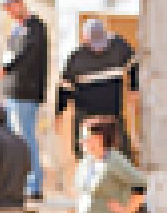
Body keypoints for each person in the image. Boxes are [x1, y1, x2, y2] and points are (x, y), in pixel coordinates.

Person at [0, 0, 49, 200]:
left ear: (19, 3)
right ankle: (22, 182)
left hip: (26, 92)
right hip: (14, 91)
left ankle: (34, 185)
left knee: (26, 138)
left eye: (9, 6)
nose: (7, 11)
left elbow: (25, 55)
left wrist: (5, 68)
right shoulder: (18, 29)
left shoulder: (35, 28)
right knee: (17, 139)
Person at [57, 18, 139, 160]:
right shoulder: (75, 59)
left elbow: (133, 65)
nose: (99, 49)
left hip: (112, 115)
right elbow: (65, 88)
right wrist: (59, 113)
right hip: (86, 117)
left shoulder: (119, 47)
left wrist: (134, 88)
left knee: (122, 157)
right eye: (93, 44)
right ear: (84, 39)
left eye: (101, 43)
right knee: (87, 158)